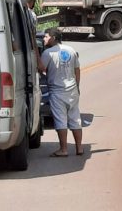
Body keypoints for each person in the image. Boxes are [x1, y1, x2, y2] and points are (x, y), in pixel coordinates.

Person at [41, 27, 83, 157]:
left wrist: (37, 57)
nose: (44, 39)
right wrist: (77, 86)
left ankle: (63, 149)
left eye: (46, 36)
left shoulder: (48, 53)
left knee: (60, 120)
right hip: (72, 90)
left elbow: (41, 68)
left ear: (53, 38)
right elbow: (77, 69)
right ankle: (79, 148)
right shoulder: (71, 50)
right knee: (75, 119)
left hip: (57, 91)